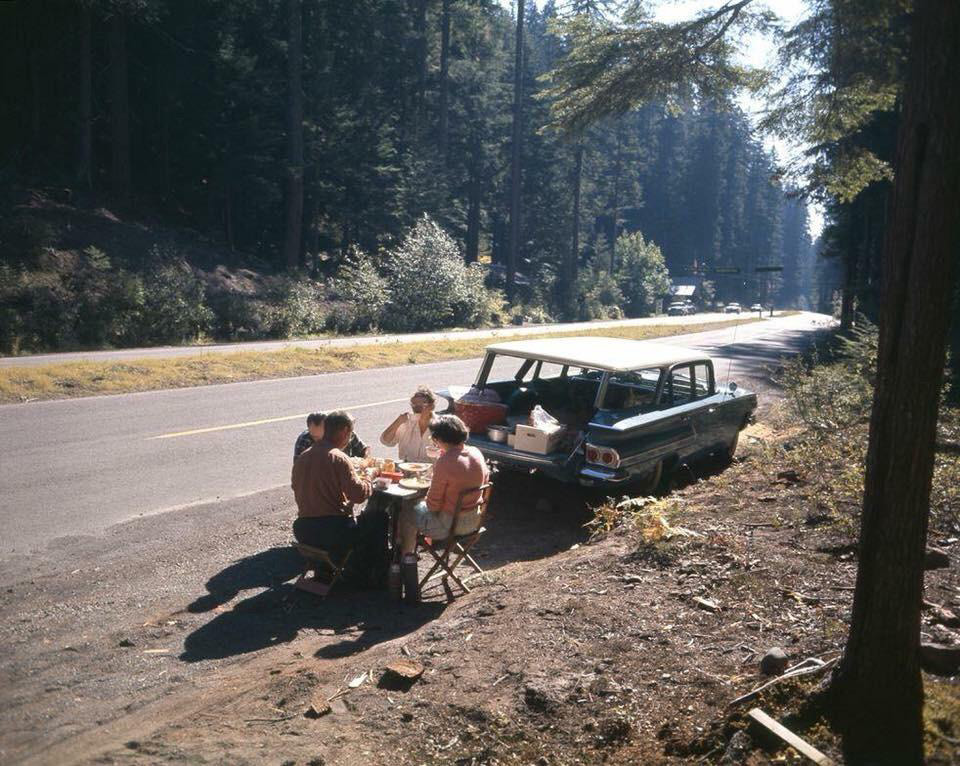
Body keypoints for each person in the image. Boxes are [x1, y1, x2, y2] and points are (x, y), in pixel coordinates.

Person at [291, 410, 388, 586]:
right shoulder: (338, 457)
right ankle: (371, 574)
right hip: (331, 532)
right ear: (344, 431)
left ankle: (329, 568)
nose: (349, 438)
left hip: (303, 530)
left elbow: (302, 489)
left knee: (357, 521)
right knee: (379, 518)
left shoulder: (304, 456)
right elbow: (359, 495)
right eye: (350, 434)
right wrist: (369, 476)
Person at [397, 414, 489, 561]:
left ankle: (406, 558)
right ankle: (409, 553)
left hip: (450, 525)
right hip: (475, 519)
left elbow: (432, 505)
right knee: (417, 506)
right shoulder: (475, 452)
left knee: (406, 510)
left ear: (438, 439)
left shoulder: (445, 462)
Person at [379, 386, 437, 463]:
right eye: (414, 405)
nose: (417, 408)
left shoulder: (440, 425)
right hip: (407, 467)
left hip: (431, 468)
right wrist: (397, 422)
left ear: (432, 406)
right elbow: (386, 441)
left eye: (423, 404)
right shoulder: (406, 422)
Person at [294, 412, 371, 462]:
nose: (320, 440)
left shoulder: (345, 434)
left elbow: (365, 450)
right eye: (315, 437)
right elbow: (298, 466)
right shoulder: (304, 440)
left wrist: (362, 463)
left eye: (323, 436)